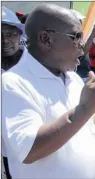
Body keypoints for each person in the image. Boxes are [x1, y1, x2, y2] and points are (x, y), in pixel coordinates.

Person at [1, 4, 95, 178]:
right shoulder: (13, 83)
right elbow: (29, 150)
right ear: (46, 39)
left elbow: (93, 123)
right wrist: (85, 108)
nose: (82, 45)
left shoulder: (72, 78)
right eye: (76, 36)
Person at [1, 7, 27, 179]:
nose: (5, 41)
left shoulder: (35, 63)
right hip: (5, 144)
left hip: (36, 140)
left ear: (19, 35)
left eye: (10, 34)